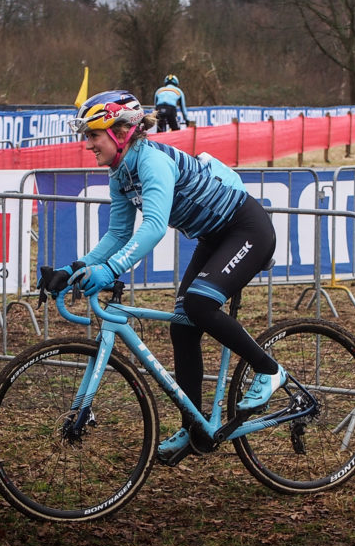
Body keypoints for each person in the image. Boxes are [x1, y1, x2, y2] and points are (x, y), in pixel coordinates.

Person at [38, 90, 286, 463]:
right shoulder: (120, 173)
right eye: (86, 135)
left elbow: (153, 227)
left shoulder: (151, 161)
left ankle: (270, 371)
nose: (88, 144)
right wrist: (73, 268)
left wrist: (109, 271)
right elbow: (118, 235)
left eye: (93, 134)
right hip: (215, 236)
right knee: (183, 324)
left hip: (246, 228)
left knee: (200, 304)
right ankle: (196, 428)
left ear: (121, 131)